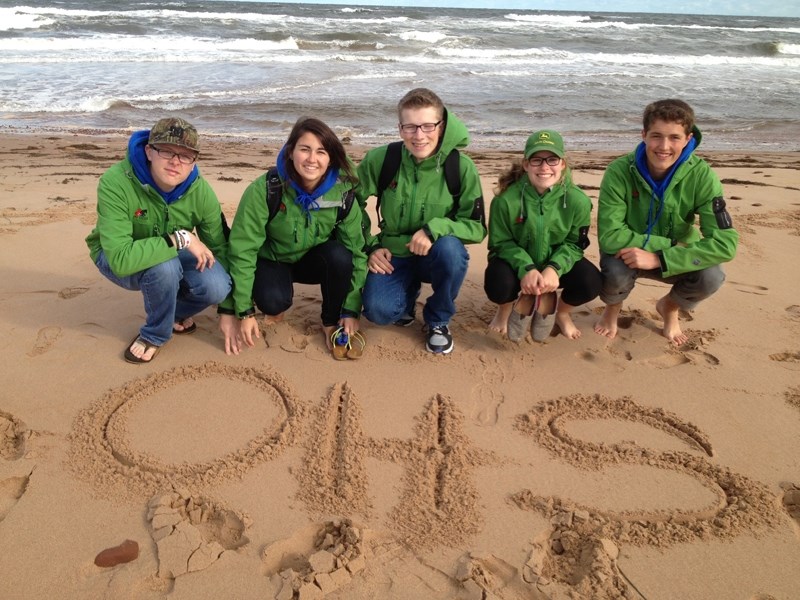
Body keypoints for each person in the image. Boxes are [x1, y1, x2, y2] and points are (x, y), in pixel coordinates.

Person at [85, 117, 232, 364]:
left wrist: (230, 308)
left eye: (185, 155)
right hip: (115, 254)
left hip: (174, 249)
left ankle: (172, 313)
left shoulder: (201, 191)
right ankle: (155, 334)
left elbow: (220, 249)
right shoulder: (116, 182)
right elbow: (120, 259)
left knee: (217, 284)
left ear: (193, 161)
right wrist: (181, 238)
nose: (176, 161)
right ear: (149, 151)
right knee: (165, 267)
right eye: (167, 151)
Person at [219, 116, 367, 360]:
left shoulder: (343, 195)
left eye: (321, 151)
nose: (312, 159)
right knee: (273, 301)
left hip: (312, 260)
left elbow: (358, 253)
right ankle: (275, 308)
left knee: (341, 257)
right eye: (305, 149)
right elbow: (242, 250)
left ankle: (330, 321)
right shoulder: (266, 190)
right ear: (290, 152)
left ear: (330, 159)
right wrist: (243, 312)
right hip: (273, 259)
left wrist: (351, 309)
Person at [593, 99, 738, 346]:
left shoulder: (703, 176)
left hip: (676, 254)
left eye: (674, 138)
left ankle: (670, 307)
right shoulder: (619, 171)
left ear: (687, 138)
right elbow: (609, 235)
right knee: (615, 271)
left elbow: (726, 244)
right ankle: (613, 308)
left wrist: (662, 257)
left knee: (712, 276)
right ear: (644, 135)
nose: (664, 146)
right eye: (656, 136)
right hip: (629, 253)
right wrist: (663, 246)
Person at [355, 88, 486, 355]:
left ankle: (438, 320)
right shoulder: (381, 159)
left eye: (428, 126)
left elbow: (476, 227)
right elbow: (349, 207)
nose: (419, 135)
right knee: (379, 313)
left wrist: (434, 229)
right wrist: (369, 247)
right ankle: (406, 298)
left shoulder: (460, 167)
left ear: (441, 125)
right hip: (393, 252)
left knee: (451, 251)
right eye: (411, 127)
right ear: (400, 128)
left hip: (436, 254)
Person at [485, 130, 601, 342]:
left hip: (554, 265)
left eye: (552, 159)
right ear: (526, 164)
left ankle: (562, 312)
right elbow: (499, 243)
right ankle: (504, 310)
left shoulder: (578, 201)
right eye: (537, 160)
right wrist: (526, 268)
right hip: (517, 264)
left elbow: (576, 244)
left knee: (591, 282)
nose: (545, 167)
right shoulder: (504, 200)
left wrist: (554, 268)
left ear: (563, 163)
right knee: (497, 283)